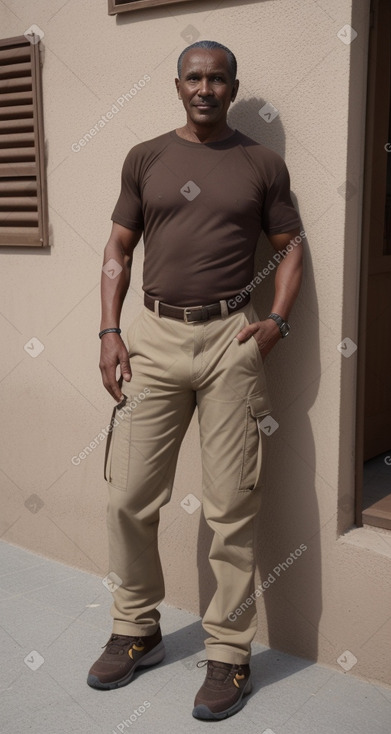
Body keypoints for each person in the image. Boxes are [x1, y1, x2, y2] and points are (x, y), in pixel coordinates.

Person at [87, 40, 303, 721]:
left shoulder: (260, 164)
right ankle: (135, 628)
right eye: (193, 77)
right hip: (150, 338)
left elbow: (290, 248)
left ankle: (229, 656)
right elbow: (118, 250)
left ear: (231, 88)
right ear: (177, 85)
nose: (205, 88)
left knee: (230, 511)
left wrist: (274, 323)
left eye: (217, 79)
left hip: (228, 341)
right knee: (127, 495)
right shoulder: (145, 158)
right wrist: (109, 331)